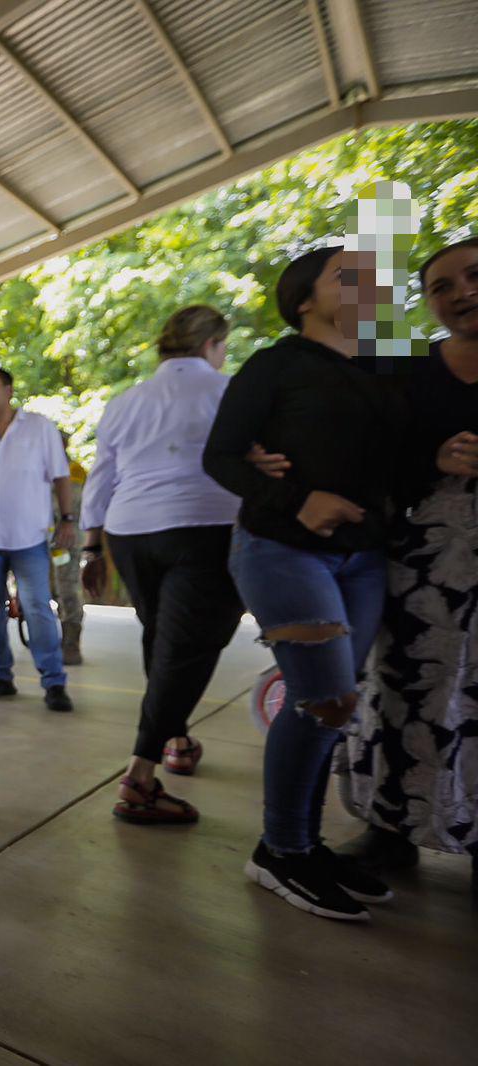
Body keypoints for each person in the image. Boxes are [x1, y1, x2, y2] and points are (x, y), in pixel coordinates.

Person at [203, 244, 403, 921]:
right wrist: (298, 500)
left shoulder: (384, 367)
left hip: (364, 557)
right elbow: (219, 456)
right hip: (281, 548)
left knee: (335, 705)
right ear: (304, 299)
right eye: (349, 275)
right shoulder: (275, 364)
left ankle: (303, 845)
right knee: (325, 701)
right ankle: (281, 852)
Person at [334, 237, 478, 888]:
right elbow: (369, 459)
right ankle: (390, 830)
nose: (461, 293)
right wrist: (432, 460)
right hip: (425, 564)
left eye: (472, 276)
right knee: (404, 691)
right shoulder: (409, 372)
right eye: (441, 287)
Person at [81, 306, 245, 825]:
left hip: (130, 532)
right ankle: (140, 778)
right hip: (205, 528)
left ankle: (176, 738)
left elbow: (102, 476)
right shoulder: (231, 393)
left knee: (162, 637)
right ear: (213, 345)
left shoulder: (127, 401)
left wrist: (91, 547)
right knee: (187, 648)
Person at [0, 367, 76, 711]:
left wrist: (67, 519)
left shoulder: (39, 428)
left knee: (37, 606)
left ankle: (54, 681)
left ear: (9, 390)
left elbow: (61, 476)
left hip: (29, 536)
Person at [54, 434, 85, 665]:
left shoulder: (74, 470)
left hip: (65, 539)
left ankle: (71, 643)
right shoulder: (39, 467)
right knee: (49, 589)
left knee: (67, 588)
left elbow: (74, 503)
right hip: (40, 537)